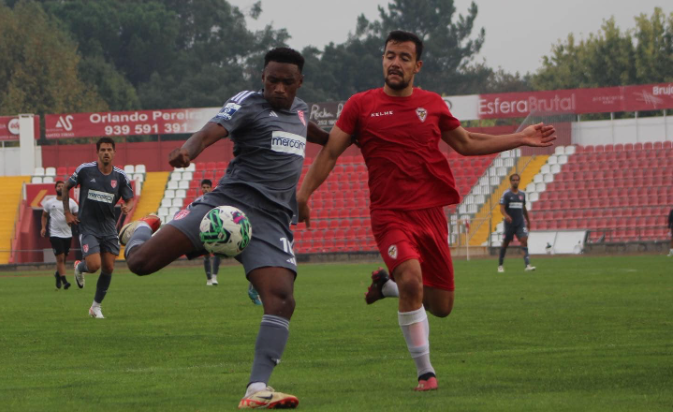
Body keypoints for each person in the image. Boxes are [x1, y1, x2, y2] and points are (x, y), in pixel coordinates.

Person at [297, 30, 556, 392]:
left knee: (442, 305)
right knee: (413, 282)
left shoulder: (432, 104)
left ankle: (385, 287)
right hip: (389, 215)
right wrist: (304, 194)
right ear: (382, 59)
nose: (395, 63)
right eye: (390, 55)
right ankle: (426, 373)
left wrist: (520, 138)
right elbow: (329, 153)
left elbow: (466, 142)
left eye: (404, 57)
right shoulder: (360, 105)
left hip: (431, 216)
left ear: (417, 65)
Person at [118, 47, 329, 409]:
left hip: (272, 220)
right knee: (140, 263)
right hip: (225, 206)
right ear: (262, 78)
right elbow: (210, 131)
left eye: (287, 82)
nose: (279, 88)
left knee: (281, 299)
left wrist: (340, 138)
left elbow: (308, 130)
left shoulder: (300, 109)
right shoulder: (248, 103)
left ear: (299, 83)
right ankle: (140, 228)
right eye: (272, 80)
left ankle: (257, 389)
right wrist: (188, 149)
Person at [63, 137, 134, 319]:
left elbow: (129, 199)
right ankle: (80, 267)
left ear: (114, 152)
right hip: (88, 226)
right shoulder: (85, 170)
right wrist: (67, 213)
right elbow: (65, 187)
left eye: (109, 150)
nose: (106, 153)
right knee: (94, 266)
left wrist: (128, 206)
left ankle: (95, 307)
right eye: (102, 150)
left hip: (109, 227)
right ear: (97, 152)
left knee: (109, 267)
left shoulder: (120, 176)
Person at [195, 179, 262, 304]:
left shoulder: (217, 200)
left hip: (224, 235)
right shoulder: (199, 201)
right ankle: (210, 278)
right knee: (207, 255)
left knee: (250, 258)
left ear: (211, 188)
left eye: (207, 187)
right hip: (205, 234)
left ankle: (215, 277)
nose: (205, 189)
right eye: (203, 187)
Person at [41, 180, 78, 290]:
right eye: (58, 186)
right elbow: (44, 216)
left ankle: (58, 275)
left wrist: (73, 220)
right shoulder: (49, 203)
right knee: (60, 258)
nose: (60, 188)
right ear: (55, 188)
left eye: (62, 186)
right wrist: (43, 227)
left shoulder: (72, 203)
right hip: (55, 234)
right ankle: (65, 281)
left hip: (67, 234)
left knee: (64, 259)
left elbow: (77, 216)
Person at [498, 174, 536, 272]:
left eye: (517, 180)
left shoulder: (522, 194)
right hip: (510, 224)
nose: (515, 181)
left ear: (519, 181)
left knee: (524, 240)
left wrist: (528, 221)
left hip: (520, 223)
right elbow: (502, 208)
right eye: (514, 180)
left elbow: (523, 208)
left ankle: (527, 265)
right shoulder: (507, 194)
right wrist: (506, 216)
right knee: (506, 243)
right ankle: (500, 265)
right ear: (510, 182)